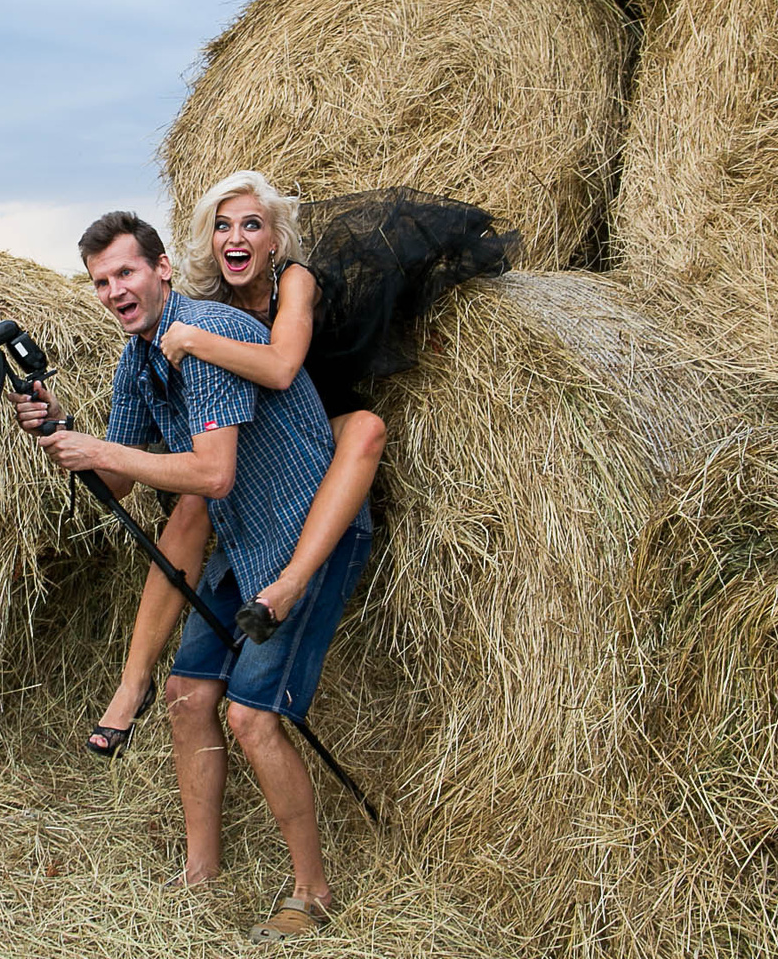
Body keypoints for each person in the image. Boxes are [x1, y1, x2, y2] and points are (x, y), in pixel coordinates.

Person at [14, 209, 368, 940]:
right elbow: (116, 482)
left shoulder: (205, 338)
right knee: (184, 694)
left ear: (163, 268)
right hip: (242, 544)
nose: (115, 289)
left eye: (126, 272)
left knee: (251, 715)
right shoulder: (136, 360)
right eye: (102, 280)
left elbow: (212, 472)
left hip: (304, 537)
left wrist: (101, 452)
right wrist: (60, 430)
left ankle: (312, 890)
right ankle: (200, 872)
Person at [82, 172, 510, 758]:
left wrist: (195, 342)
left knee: (365, 428)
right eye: (222, 227)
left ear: (275, 241)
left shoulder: (293, 280)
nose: (235, 237)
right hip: (262, 426)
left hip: (317, 397)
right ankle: (133, 684)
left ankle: (294, 577)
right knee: (191, 507)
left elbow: (283, 367)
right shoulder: (211, 304)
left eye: (251, 225)